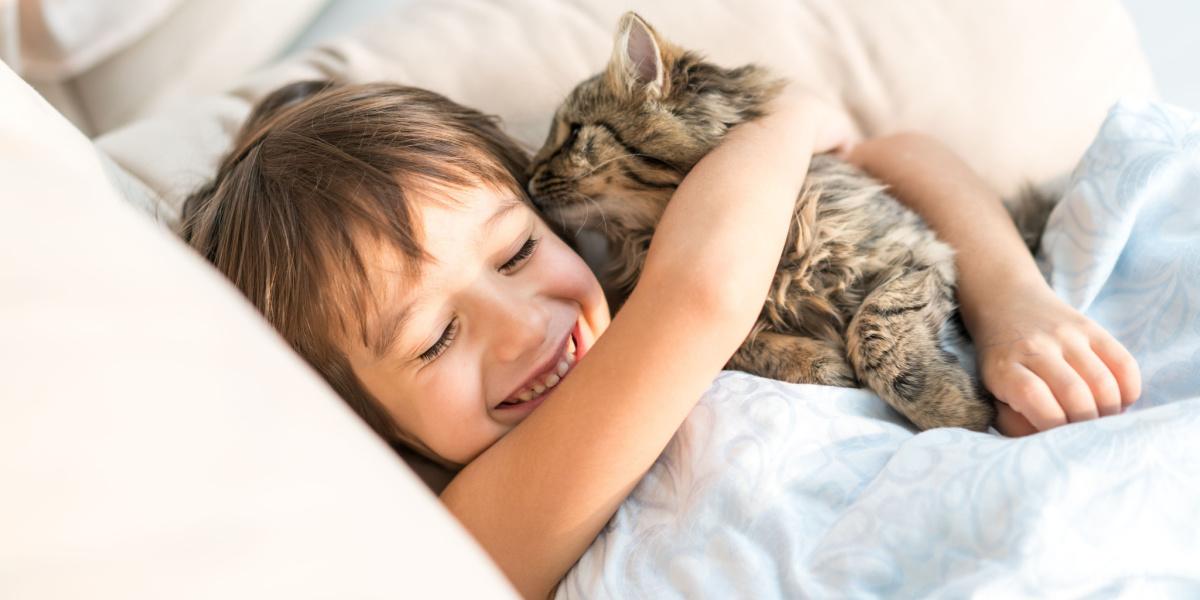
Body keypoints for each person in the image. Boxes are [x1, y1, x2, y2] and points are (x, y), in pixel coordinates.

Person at [182, 80, 1140, 597]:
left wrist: (1014, 298)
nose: (527, 328)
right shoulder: (475, 529)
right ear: (367, 425)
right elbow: (703, 293)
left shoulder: (630, 257)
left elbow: (896, 158)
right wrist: (795, 113)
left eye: (515, 253)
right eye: (434, 341)